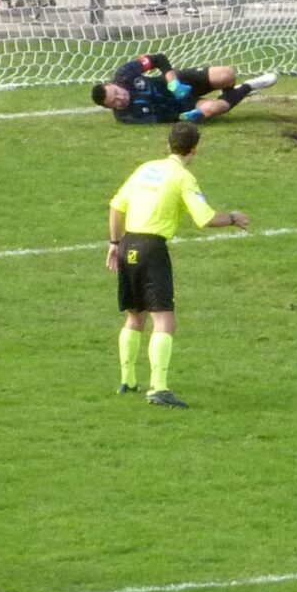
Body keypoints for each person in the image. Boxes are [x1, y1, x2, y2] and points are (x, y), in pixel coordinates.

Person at [109, 122, 251, 409]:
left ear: (169, 143)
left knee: (135, 315)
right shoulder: (182, 177)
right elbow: (205, 218)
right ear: (194, 150)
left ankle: (128, 380)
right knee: (164, 321)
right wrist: (234, 217)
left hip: (128, 245)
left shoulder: (145, 168)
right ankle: (158, 389)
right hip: (151, 249)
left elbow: (116, 206)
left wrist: (114, 244)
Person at [90, 53, 275, 124]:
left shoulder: (124, 74)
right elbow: (160, 118)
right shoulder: (126, 117)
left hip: (177, 81)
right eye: (114, 102)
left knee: (227, 75)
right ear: (110, 108)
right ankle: (249, 86)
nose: (120, 98)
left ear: (111, 84)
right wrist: (184, 116)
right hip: (181, 106)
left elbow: (158, 59)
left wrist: (173, 82)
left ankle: (233, 91)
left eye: (116, 93)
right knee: (213, 109)